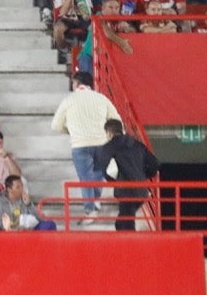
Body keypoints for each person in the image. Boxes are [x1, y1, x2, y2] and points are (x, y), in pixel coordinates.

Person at [50, 72, 120, 215]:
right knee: (98, 174)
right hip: (102, 143)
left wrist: (71, 132)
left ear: (76, 83)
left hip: (80, 145)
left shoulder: (68, 100)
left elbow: (56, 125)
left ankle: (90, 209)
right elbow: (116, 120)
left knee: (85, 178)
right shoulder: (101, 99)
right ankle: (95, 201)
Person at [96, 118, 157, 231]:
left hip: (125, 191)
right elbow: (154, 165)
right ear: (122, 129)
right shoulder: (137, 144)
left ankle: (131, 246)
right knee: (122, 222)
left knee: (127, 224)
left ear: (109, 133)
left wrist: (115, 182)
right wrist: (142, 176)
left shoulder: (108, 148)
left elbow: (104, 170)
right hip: (141, 190)